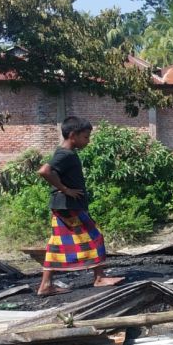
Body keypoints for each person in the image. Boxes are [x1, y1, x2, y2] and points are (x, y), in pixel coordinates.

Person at [37, 117, 125, 296]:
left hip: (63, 206)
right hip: (69, 206)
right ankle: (99, 278)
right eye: (86, 137)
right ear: (72, 135)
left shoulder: (63, 152)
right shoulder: (65, 154)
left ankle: (46, 285)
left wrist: (63, 189)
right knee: (95, 237)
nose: (88, 141)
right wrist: (65, 189)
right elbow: (44, 171)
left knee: (57, 244)